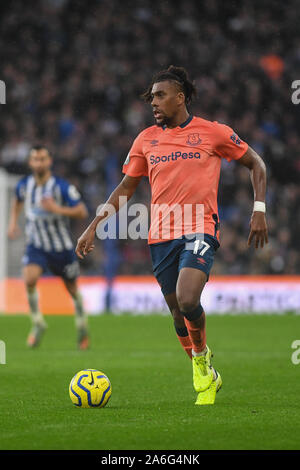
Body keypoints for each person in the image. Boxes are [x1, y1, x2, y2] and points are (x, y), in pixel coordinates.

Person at [75, 66, 268, 405]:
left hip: (200, 227)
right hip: (160, 235)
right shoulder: (146, 139)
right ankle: (203, 366)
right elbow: (126, 186)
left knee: (188, 298)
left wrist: (259, 209)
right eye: (151, 97)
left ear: (180, 98)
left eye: (160, 95)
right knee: (177, 311)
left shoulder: (213, 133)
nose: (154, 102)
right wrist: (94, 226)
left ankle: (200, 359)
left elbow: (257, 164)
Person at [8, 145, 90, 349]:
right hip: (36, 246)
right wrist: (12, 223)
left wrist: (56, 209)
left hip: (61, 248)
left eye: (42, 159)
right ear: (30, 162)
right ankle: (37, 323)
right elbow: (17, 201)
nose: (38, 162)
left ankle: (82, 327)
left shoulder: (62, 187)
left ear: (49, 162)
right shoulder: (24, 185)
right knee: (29, 279)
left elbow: (82, 211)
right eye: (35, 159)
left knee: (72, 290)